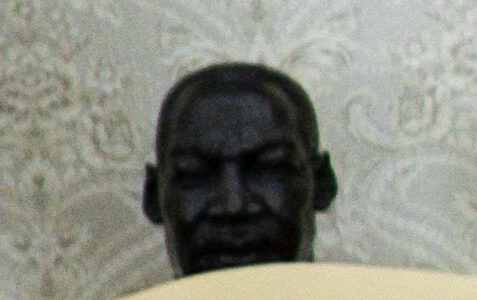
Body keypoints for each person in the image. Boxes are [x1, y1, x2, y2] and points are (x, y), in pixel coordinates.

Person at [142, 62, 338, 275]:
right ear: (154, 197)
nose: (233, 206)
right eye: (194, 175)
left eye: (269, 169)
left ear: (321, 184)